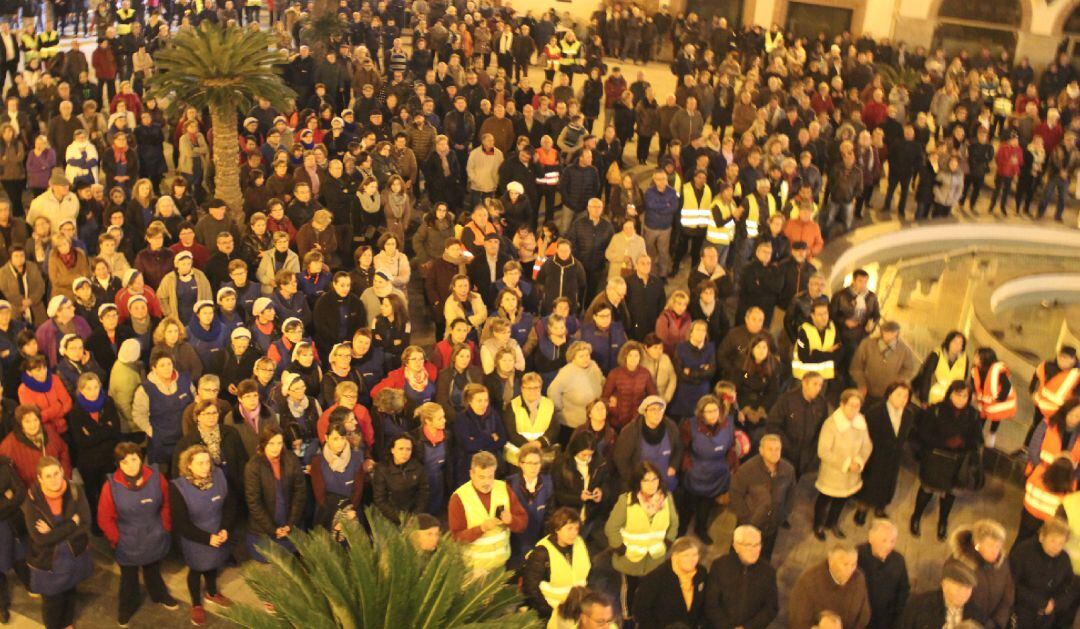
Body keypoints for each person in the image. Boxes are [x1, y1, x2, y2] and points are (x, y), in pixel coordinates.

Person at [96, 442, 178, 626]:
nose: (131, 465)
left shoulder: (156, 478)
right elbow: (104, 517)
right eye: (124, 462)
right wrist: (116, 538)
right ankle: (127, 606)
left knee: (153, 569)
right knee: (128, 579)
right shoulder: (111, 486)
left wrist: (165, 526)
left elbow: (167, 503)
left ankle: (159, 594)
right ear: (118, 464)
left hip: (154, 535)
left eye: (134, 459)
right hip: (127, 541)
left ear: (141, 458)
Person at [603, 461, 679, 623]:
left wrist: (667, 543)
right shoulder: (626, 501)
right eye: (646, 480)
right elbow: (611, 527)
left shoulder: (666, 498)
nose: (651, 484)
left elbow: (674, 523)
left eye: (654, 479)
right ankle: (628, 618)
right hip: (630, 558)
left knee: (651, 590)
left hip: (655, 557)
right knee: (629, 590)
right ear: (638, 482)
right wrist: (620, 548)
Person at [170, 444, 237, 627]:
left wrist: (225, 528)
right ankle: (196, 604)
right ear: (188, 465)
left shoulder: (219, 476)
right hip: (195, 537)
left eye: (207, 462)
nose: (205, 467)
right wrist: (207, 539)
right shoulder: (178, 487)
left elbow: (230, 504)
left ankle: (212, 593)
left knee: (214, 563)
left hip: (217, 531)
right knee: (196, 569)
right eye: (200, 463)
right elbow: (181, 523)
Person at [23, 456, 92, 629]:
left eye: (56, 473)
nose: (54, 479)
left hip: (73, 555)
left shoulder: (74, 490)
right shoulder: (32, 500)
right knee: (52, 601)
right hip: (48, 561)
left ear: (62, 471)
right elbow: (40, 539)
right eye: (48, 476)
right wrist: (72, 524)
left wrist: (53, 532)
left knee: (70, 592)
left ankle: (67, 623)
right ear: (40, 478)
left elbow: (85, 523)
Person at [910, 381, 982, 540]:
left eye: (965, 396)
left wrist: (963, 442)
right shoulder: (936, 410)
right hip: (935, 458)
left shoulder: (973, 415)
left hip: (957, 462)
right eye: (958, 394)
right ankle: (916, 516)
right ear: (950, 394)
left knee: (950, 494)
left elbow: (977, 439)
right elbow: (924, 434)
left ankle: (943, 521)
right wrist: (945, 442)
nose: (961, 399)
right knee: (927, 489)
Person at [448, 451, 528, 574]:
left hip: (501, 567)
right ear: (471, 474)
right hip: (474, 570)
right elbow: (456, 537)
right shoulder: (459, 498)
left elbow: (523, 522)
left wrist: (511, 520)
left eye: (490, 476)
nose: (487, 482)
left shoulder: (503, 488)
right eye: (481, 477)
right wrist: (481, 528)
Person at [813, 389, 872, 540]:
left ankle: (832, 523)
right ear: (842, 404)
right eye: (851, 405)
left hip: (851, 475)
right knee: (825, 499)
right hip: (833, 473)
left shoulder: (861, 421)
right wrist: (846, 464)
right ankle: (818, 524)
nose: (854, 409)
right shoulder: (831, 424)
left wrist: (859, 462)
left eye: (857, 406)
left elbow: (867, 445)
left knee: (841, 500)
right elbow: (823, 451)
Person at [854, 383, 916, 524]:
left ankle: (880, 507)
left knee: (888, 482)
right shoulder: (875, 412)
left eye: (905, 396)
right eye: (899, 395)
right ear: (889, 395)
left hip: (894, 457)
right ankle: (863, 508)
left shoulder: (908, 414)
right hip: (875, 454)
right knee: (870, 481)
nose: (902, 399)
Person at [243, 424, 306, 562]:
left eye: (279, 443)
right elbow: (254, 503)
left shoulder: (291, 459)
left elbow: (299, 492)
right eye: (271, 443)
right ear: (263, 444)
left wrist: (291, 523)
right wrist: (273, 529)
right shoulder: (253, 466)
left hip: (290, 521)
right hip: (265, 528)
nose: (276, 447)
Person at [679, 393, 735, 544]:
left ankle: (701, 529)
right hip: (695, 471)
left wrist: (729, 464)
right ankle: (681, 528)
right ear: (701, 413)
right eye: (708, 411)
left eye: (715, 410)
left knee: (707, 505)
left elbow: (731, 446)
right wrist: (687, 466)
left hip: (717, 473)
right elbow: (682, 447)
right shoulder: (690, 426)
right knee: (688, 503)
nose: (713, 414)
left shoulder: (728, 424)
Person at [729, 433, 796, 560]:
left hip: (772, 523)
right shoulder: (747, 470)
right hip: (750, 523)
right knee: (740, 553)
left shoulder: (788, 470)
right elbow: (735, 493)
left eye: (777, 449)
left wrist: (783, 513)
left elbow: (791, 493)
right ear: (761, 450)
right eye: (770, 449)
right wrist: (745, 516)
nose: (774, 453)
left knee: (765, 553)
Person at [520, 506, 591, 620]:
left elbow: (587, 574)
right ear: (557, 529)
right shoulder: (542, 552)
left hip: (577, 609)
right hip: (553, 612)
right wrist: (548, 612)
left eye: (576, 528)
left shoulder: (579, 543)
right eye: (569, 528)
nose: (574, 533)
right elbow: (531, 587)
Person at [704, 524, 779, 628]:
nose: (755, 550)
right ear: (736, 546)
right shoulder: (720, 566)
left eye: (757, 544)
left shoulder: (768, 572)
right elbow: (711, 603)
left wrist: (747, 627)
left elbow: (771, 608)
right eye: (748, 545)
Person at [944, 519, 1015, 629]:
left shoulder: (1002, 564)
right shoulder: (959, 563)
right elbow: (952, 597)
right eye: (990, 545)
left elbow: (1007, 595)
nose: (995, 551)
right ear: (977, 544)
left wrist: (996, 622)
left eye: (998, 546)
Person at [788, 543, 872, 629]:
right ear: (831, 561)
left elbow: (864, 614)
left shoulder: (858, 578)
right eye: (845, 564)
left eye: (853, 564)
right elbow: (798, 622)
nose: (850, 570)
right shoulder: (808, 582)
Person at [765, 370, 828, 478]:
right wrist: (786, 446)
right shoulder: (787, 400)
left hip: (809, 458)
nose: (818, 388)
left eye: (820, 385)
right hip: (787, 455)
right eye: (815, 384)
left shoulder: (821, 403)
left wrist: (814, 452)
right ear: (804, 383)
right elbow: (773, 425)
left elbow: (823, 429)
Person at [613, 396, 682, 493]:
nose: (657, 413)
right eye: (653, 409)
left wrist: (673, 466)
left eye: (660, 409)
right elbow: (620, 459)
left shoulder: (671, 426)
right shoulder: (630, 431)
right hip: (640, 485)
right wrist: (634, 480)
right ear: (644, 412)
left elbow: (678, 448)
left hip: (666, 481)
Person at [633, 536, 707, 627]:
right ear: (675, 556)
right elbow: (640, 610)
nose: (692, 560)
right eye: (686, 555)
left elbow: (703, 603)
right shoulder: (656, 577)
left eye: (695, 555)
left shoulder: (701, 572)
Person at [896, 561, 985, 628]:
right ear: (944, 585)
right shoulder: (920, 606)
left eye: (968, 588)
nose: (964, 593)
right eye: (959, 587)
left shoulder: (976, 615)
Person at [506, 443, 554, 565]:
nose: (533, 467)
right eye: (529, 463)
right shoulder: (510, 484)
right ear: (521, 464)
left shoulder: (548, 483)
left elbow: (549, 514)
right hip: (515, 544)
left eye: (537, 463)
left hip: (538, 541)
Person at [857, 519, 909, 629]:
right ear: (871, 538)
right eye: (884, 540)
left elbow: (903, 589)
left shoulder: (898, 560)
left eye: (892, 541)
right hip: (860, 619)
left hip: (885, 620)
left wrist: (897, 618)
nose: (888, 546)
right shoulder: (857, 557)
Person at [849, 321, 917, 404]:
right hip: (867, 391)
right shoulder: (867, 345)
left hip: (889, 394)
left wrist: (896, 382)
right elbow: (856, 367)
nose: (889, 335)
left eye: (893, 332)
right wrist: (862, 384)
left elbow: (909, 369)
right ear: (882, 332)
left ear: (897, 333)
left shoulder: (904, 350)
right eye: (886, 332)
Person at [372, 434, 428, 525]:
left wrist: (414, 516)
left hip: (413, 516)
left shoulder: (418, 467)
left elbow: (423, 493)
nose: (404, 453)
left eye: (408, 449)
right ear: (392, 450)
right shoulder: (382, 470)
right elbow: (380, 499)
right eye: (400, 449)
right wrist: (401, 519)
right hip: (390, 518)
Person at [971, 347, 1016, 448]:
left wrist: (998, 399)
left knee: (995, 418)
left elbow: (1006, 386)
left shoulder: (997, 370)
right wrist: (975, 394)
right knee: (981, 418)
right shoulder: (975, 369)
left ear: (985, 359)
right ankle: (977, 437)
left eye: (977, 356)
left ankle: (991, 437)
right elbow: (973, 382)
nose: (974, 358)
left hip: (996, 402)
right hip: (984, 400)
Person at [914, 331, 968, 407]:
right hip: (936, 398)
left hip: (955, 400)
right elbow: (926, 377)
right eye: (955, 342)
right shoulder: (936, 355)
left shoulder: (964, 359)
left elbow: (964, 381)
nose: (957, 346)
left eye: (960, 343)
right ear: (948, 342)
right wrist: (924, 400)